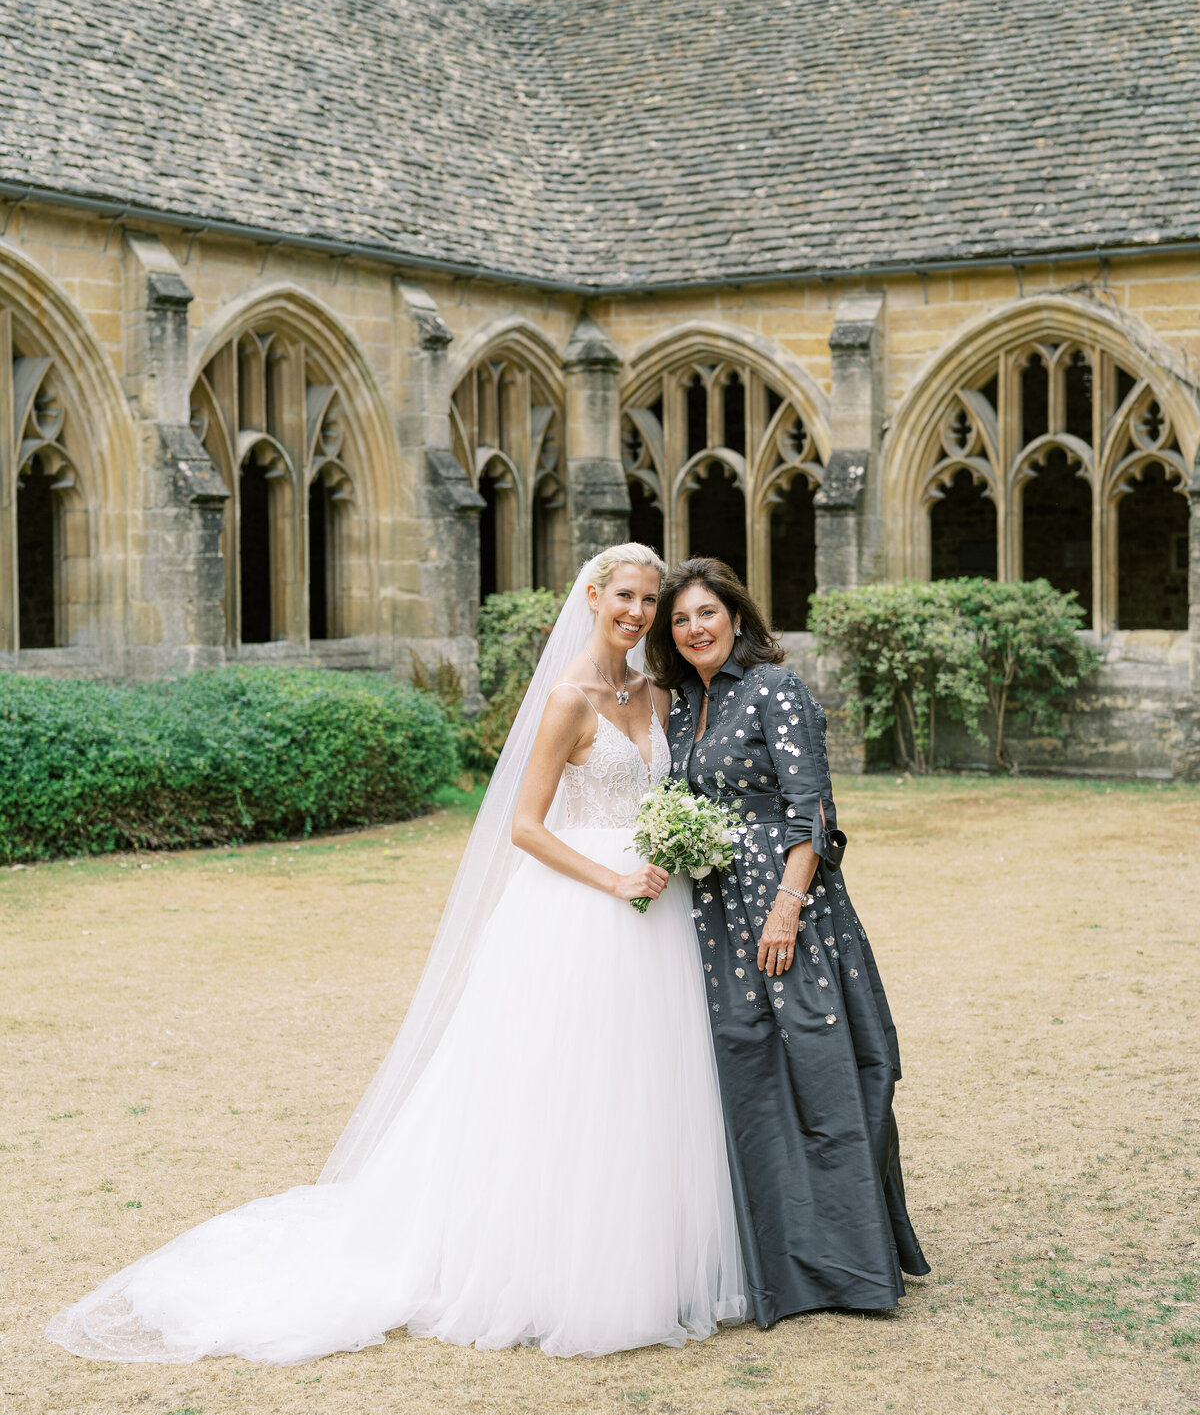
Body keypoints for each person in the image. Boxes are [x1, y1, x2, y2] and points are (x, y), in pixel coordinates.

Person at [47, 545, 746, 1364]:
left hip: (654, 910)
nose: (637, 612)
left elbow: (657, 794)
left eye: (650, 600)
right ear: (592, 596)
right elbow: (524, 827)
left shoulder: (655, 691)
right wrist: (611, 877)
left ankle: (650, 1257)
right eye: (625, 595)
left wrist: (675, 847)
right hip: (584, 908)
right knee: (563, 1084)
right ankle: (551, 1268)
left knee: (647, 1083)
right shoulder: (569, 699)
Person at [646, 557, 929, 1327]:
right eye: (680, 619)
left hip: (788, 910)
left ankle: (848, 1265)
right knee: (750, 1068)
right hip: (716, 917)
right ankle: (778, 1263)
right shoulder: (682, 706)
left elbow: (812, 810)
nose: (695, 628)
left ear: (736, 617)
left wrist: (786, 908)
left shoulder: (776, 688)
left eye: (707, 613)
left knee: (819, 1065)